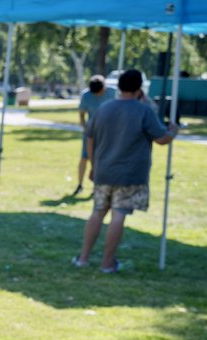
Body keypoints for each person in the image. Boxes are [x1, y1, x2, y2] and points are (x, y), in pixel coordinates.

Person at [72, 69, 178, 273]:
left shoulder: (103, 108)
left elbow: (90, 137)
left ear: (119, 86)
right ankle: (107, 262)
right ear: (139, 88)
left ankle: (83, 258)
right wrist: (173, 131)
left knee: (98, 212)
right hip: (130, 175)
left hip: (103, 171)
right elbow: (161, 138)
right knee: (119, 214)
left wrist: (94, 165)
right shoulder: (143, 111)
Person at [73, 75, 117, 195]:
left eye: (99, 92)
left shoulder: (114, 93)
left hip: (107, 133)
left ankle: (96, 187)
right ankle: (80, 184)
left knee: (101, 159)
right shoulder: (86, 95)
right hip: (91, 133)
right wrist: (84, 127)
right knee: (85, 157)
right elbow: (82, 113)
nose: (97, 95)